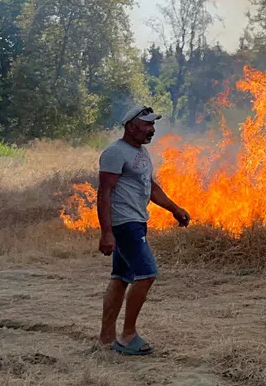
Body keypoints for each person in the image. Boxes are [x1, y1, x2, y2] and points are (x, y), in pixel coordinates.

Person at [96, 105, 190, 356]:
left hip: (137, 220)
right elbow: (104, 193)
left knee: (121, 278)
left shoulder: (141, 152)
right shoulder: (115, 153)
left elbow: (150, 186)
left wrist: (174, 208)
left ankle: (107, 338)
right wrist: (106, 232)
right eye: (147, 124)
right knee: (147, 274)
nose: (152, 129)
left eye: (152, 124)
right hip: (124, 223)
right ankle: (128, 336)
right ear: (131, 126)